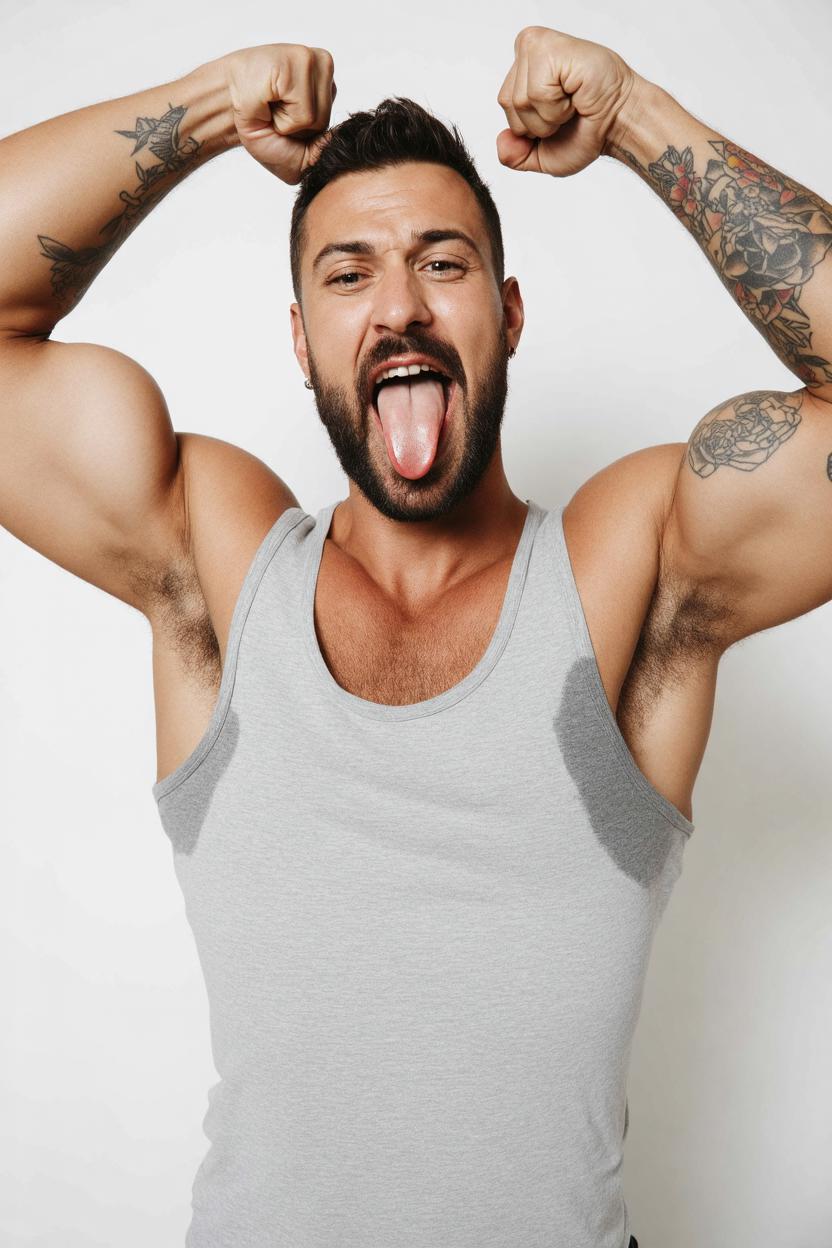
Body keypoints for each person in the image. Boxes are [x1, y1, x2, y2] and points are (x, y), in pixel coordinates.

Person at [1, 24, 829, 1248]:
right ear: (301, 343)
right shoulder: (215, 567)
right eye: (346, 276)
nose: (397, 306)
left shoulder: (629, 573)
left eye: (440, 266)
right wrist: (207, 108)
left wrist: (640, 117)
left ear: (505, 315)